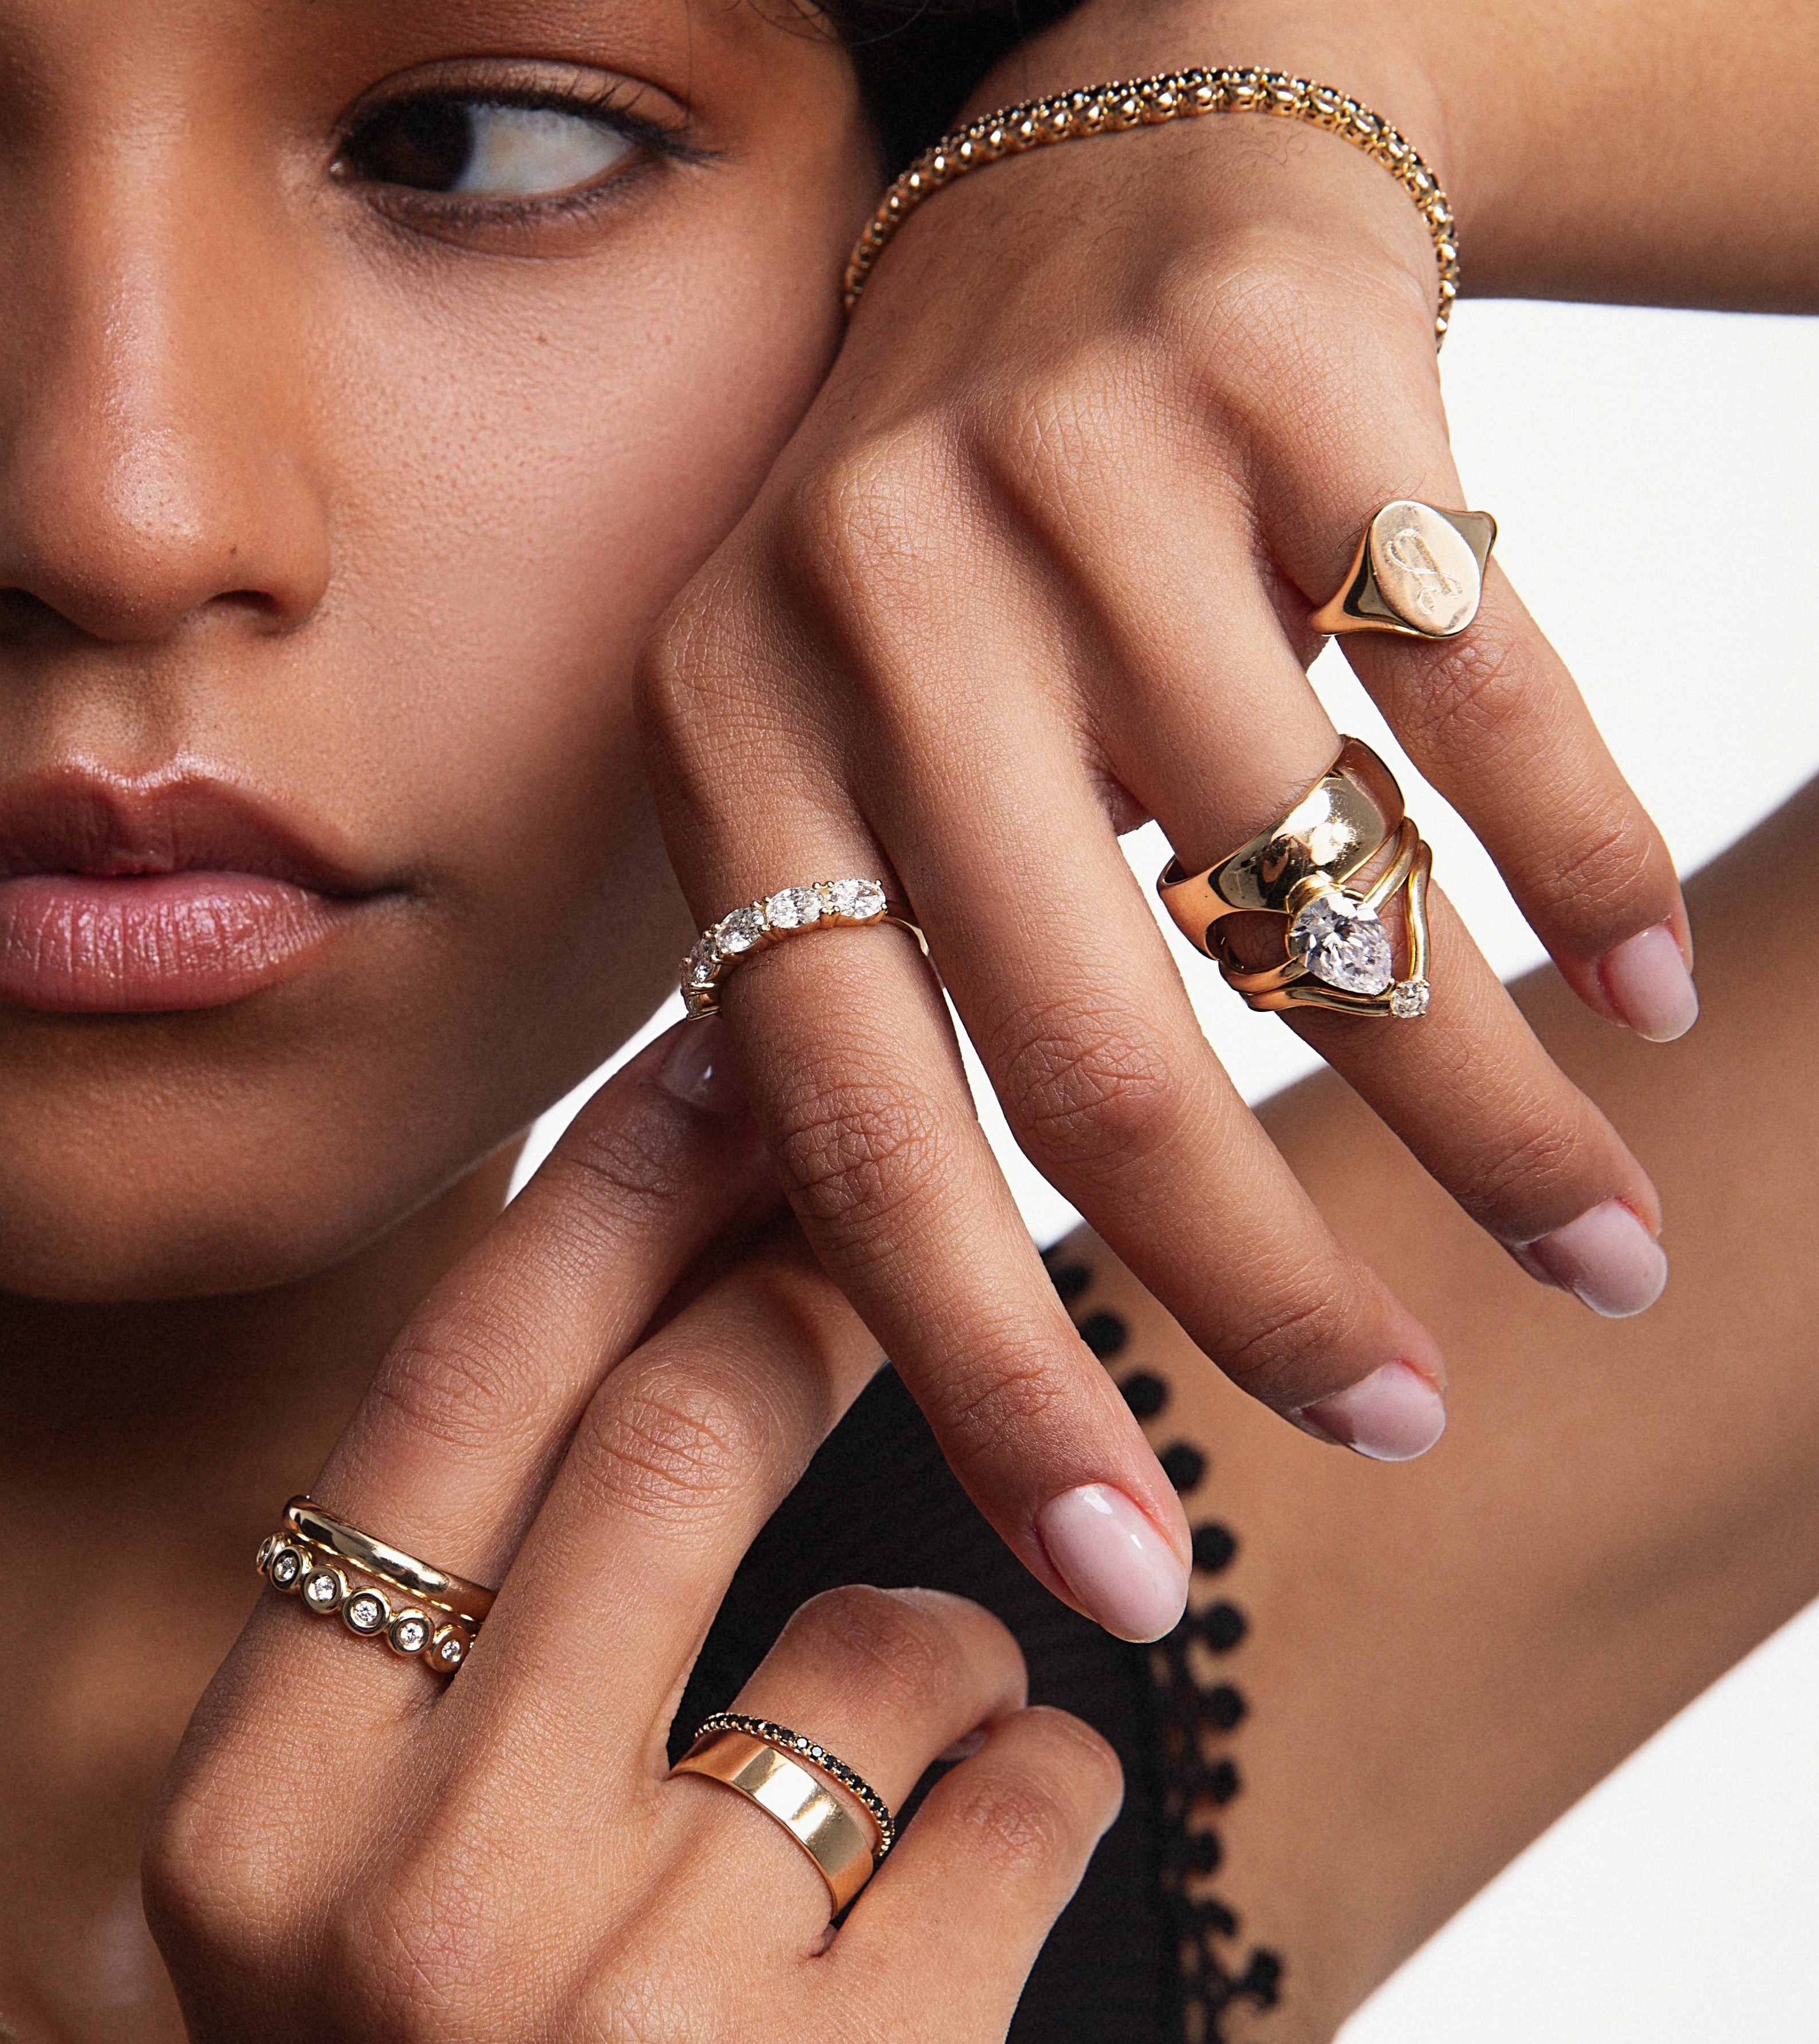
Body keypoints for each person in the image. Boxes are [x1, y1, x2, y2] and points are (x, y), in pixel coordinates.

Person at [2, 0, 1814, 2034]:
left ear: (895, 292)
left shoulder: (1013, 1692)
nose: (115, 517)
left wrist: (1267, 85)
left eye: (467, 145)